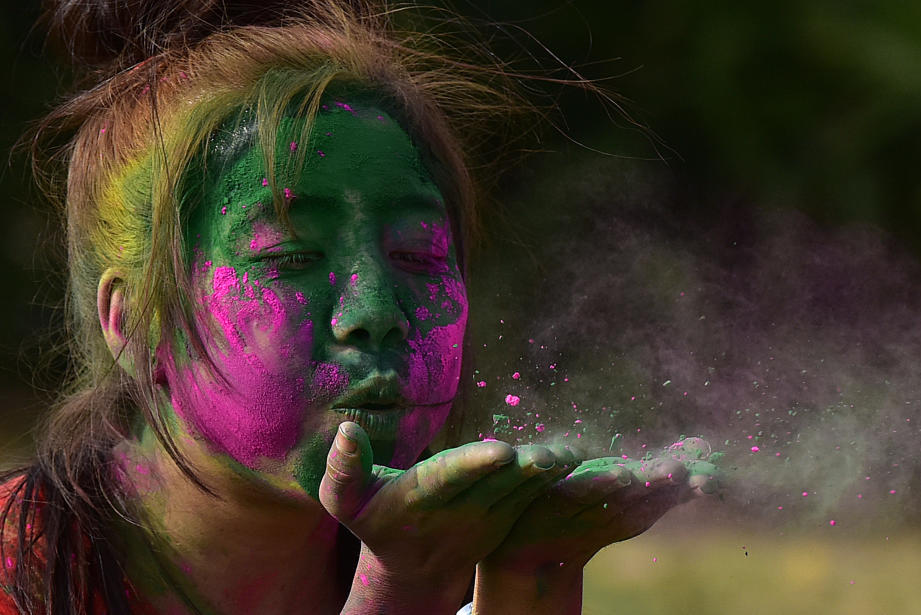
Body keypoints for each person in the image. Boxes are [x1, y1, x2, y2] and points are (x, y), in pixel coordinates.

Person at [0, 1, 718, 613]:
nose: (377, 310)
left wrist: (532, 580)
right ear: (136, 322)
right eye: (286, 257)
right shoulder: (20, 578)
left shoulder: (452, 556)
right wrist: (397, 593)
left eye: (418, 254)